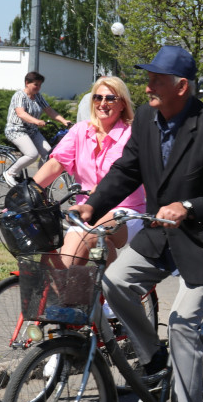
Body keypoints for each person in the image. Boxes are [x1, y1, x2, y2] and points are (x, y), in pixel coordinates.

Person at [71, 45, 203, 402]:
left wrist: (187, 207)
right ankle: (154, 359)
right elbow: (127, 169)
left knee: (182, 323)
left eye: (156, 80)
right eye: (147, 78)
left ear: (181, 87)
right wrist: (93, 204)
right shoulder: (147, 120)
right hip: (159, 235)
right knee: (113, 282)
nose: (147, 86)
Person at [33, 76, 145, 267]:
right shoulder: (80, 130)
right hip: (85, 211)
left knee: (94, 233)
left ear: (122, 104)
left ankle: (113, 286)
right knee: (63, 269)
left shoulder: (132, 134)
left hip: (126, 210)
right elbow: (55, 164)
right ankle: (93, 286)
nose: (102, 103)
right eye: (97, 97)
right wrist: (28, 192)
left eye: (110, 98)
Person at [3, 71, 71, 185]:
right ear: (27, 83)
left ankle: (39, 181)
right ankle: (10, 173)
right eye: (36, 84)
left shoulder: (38, 96)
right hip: (16, 130)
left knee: (48, 154)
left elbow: (49, 110)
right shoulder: (20, 95)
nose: (38, 87)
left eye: (40, 85)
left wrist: (64, 121)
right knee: (32, 154)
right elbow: (21, 113)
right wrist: (36, 121)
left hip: (32, 131)